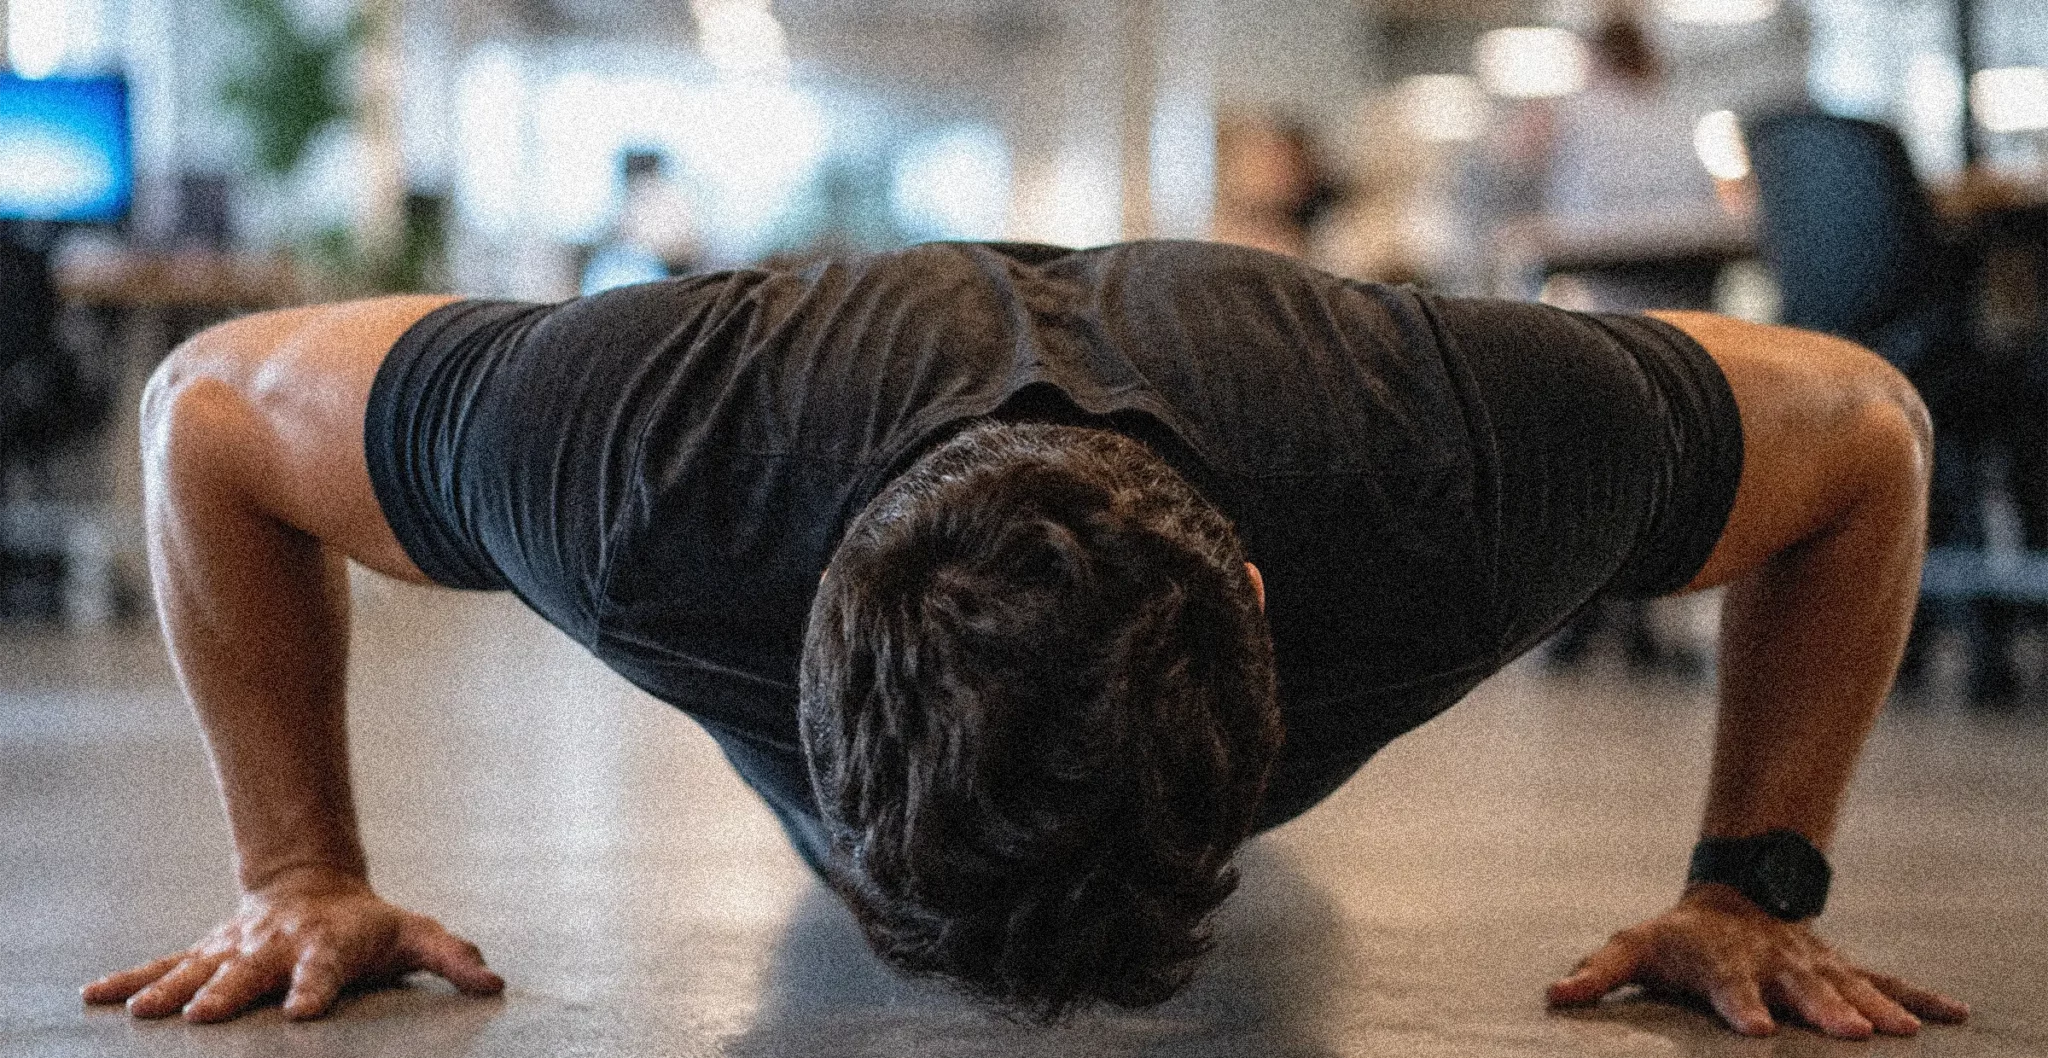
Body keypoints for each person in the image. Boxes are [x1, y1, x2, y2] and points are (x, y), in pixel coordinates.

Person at [83, 239, 1968, 1038]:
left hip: (1289, 430)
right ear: (792, 645)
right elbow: (207, 415)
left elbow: (1869, 437)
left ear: (1259, 608)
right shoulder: (645, 460)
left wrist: (1756, 886)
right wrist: (295, 871)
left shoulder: (1445, 466)